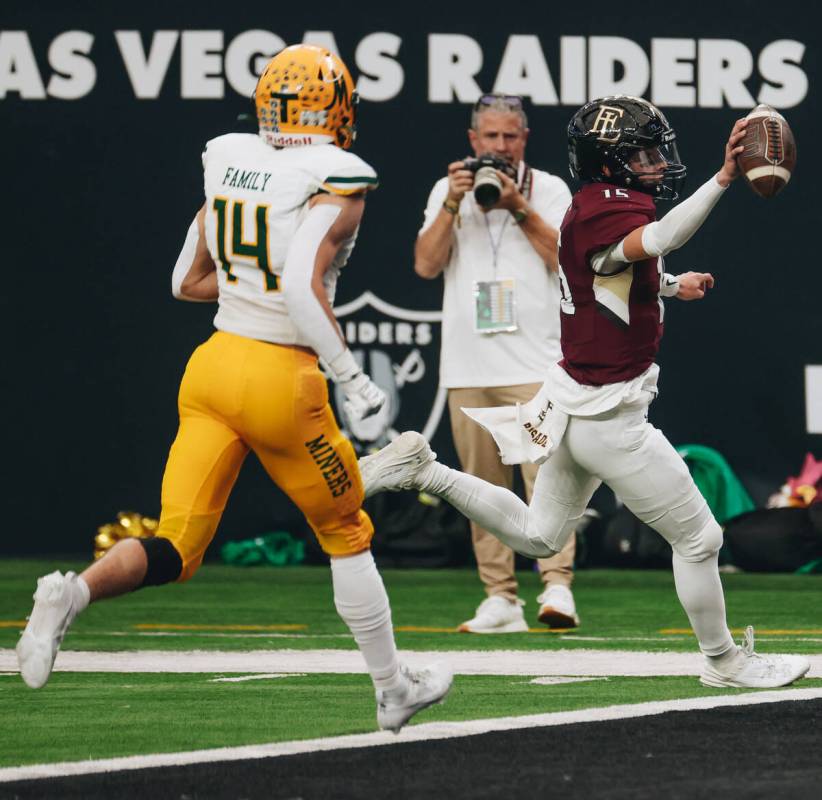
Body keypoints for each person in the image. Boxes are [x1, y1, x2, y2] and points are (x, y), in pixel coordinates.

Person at [16, 44, 452, 732]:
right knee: (344, 529)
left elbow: (184, 282)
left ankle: (72, 595)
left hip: (212, 367)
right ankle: (394, 686)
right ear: (332, 108)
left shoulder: (231, 158)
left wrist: (252, 288)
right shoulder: (336, 179)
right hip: (280, 378)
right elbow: (302, 292)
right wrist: (352, 376)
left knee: (177, 547)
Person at [360, 96, 810, 688]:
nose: (657, 161)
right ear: (611, 161)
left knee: (541, 535)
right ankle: (724, 661)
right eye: (643, 153)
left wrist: (671, 286)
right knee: (701, 538)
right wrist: (723, 178)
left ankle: (426, 471)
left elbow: (612, 273)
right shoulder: (605, 210)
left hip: (571, 399)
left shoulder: (595, 204)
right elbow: (653, 239)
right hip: (608, 416)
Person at [413, 93, 579, 633]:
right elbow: (424, 264)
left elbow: (568, 262)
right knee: (482, 487)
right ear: (473, 141)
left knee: (548, 480)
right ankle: (501, 598)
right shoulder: (447, 189)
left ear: (524, 140)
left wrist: (518, 206)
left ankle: (556, 586)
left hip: (536, 361)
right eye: (491, 137)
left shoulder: (549, 188)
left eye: (510, 136)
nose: (500, 146)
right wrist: (450, 204)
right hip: (469, 366)